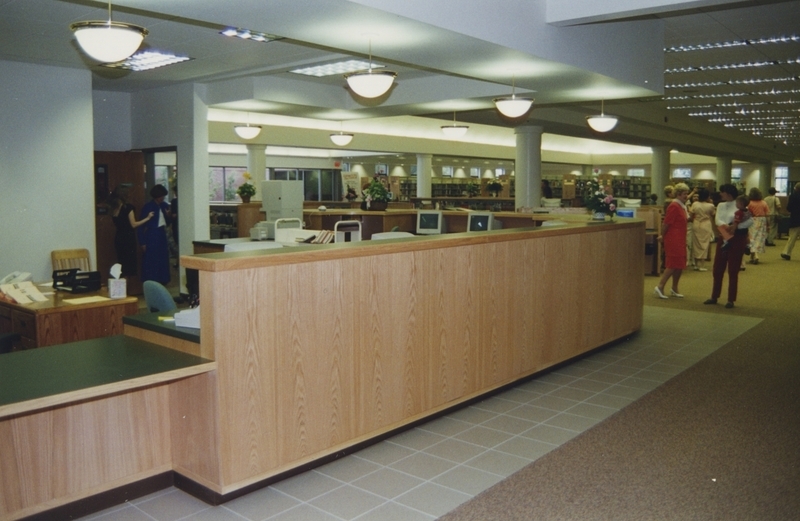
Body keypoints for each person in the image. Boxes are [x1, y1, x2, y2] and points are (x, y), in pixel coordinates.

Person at [705, 184, 753, 309]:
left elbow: (749, 221)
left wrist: (735, 227)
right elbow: (717, 220)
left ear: (728, 193)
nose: (720, 194)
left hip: (738, 239)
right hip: (724, 236)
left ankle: (731, 299)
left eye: (722, 192)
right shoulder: (721, 205)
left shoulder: (741, 205)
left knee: (733, 269)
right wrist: (728, 227)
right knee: (717, 268)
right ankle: (714, 296)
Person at [655, 183, 690, 299]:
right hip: (673, 238)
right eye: (684, 194)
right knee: (673, 263)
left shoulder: (682, 206)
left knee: (680, 264)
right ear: (678, 194)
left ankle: (674, 287)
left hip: (680, 237)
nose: (686, 196)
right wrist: (662, 236)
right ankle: (660, 286)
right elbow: (666, 223)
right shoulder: (674, 206)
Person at [109, 186, 153, 277]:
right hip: (128, 238)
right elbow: (133, 224)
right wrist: (147, 218)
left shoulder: (114, 209)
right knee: (129, 265)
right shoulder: (128, 208)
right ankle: (130, 287)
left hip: (118, 237)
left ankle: (122, 286)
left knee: (121, 262)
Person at [138, 184, 172, 285]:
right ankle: (151, 282)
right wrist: (142, 242)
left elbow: (169, 222)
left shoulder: (165, 205)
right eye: (161, 196)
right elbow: (140, 225)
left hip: (161, 233)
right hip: (151, 234)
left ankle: (163, 281)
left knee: (163, 258)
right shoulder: (148, 207)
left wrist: (168, 215)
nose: (162, 198)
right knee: (151, 259)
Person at [690, 188, 715, 271]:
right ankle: (701, 264)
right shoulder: (710, 206)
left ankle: (696, 264)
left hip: (696, 223)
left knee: (696, 243)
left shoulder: (695, 204)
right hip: (706, 224)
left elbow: (691, 215)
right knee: (704, 244)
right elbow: (713, 214)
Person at [746, 187, 768, 264]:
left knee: (752, 238)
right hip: (762, 220)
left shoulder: (750, 203)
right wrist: (768, 225)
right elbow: (767, 214)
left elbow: (747, 213)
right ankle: (753, 256)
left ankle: (755, 255)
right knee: (759, 238)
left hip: (753, 220)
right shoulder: (763, 203)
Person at [781, 182, 800, 260]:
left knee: (792, 237)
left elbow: (789, 208)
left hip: (795, 219)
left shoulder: (793, 196)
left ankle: (787, 253)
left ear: (796, 188)